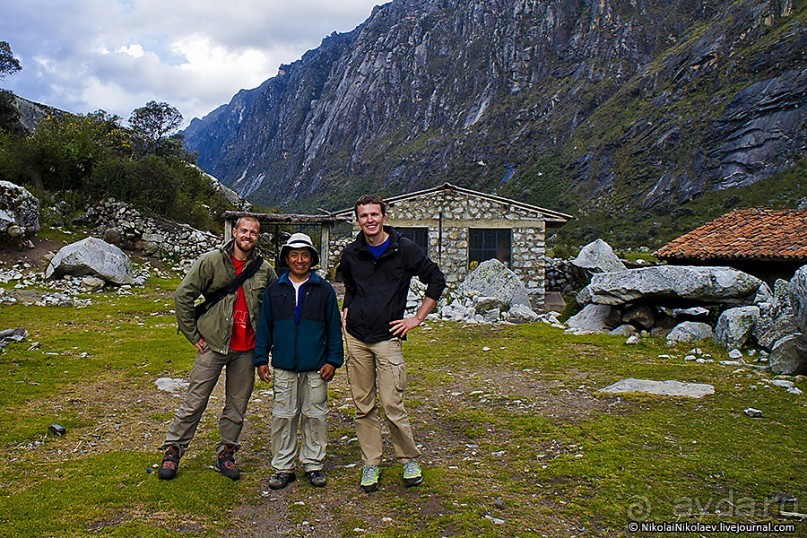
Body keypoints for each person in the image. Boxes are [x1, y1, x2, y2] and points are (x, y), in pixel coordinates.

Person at [339, 194, 446, 493]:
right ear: (357, 220)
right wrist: (347, 309)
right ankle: (371, 463)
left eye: (375, 214)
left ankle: (408, 458)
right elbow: (350, 286)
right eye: (364, 216)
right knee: (363, 406)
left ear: (384, 217)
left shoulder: (404, 249)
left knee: (391, 403)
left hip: (388, 337)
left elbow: (436, 279)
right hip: (357, 339)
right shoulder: (352, 253)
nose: (370, 220)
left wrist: (416, 319)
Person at [158, 215, 276, 481]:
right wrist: (193, 335)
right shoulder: (211, 261)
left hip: (246, 350)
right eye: (244, 230)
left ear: (258, 237)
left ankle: (227, 451)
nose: (248, 236)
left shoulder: (264, 269)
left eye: (253, 233)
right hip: (212, 345)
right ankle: (173, 449)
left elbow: (274, 307)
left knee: (237, 404)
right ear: (234, 232)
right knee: (195, 400)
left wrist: (266, 348)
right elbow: (183, 296)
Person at [253, 233, 344, 489]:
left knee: (315, 415)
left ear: (312, 258)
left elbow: (334, 328)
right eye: (294, 255)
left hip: (316, 366)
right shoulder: (275, 290)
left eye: (305, 255)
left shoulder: (324, 290)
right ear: (286, 258)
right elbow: (265, 328)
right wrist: (261, 359)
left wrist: (333, 360)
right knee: (283, 415)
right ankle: (283, 466)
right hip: (283, 365)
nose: (300, 260)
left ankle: (314, 465)